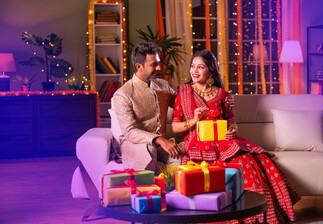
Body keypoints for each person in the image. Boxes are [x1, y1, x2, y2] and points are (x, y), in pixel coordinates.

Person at [171, 49, 301, 223]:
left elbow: (231, 121)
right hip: (197, 143)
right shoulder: (184, 93)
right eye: (193, 66)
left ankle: (256, 217)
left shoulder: (222, 94)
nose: (194, 70)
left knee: (252, 165)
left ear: (210, 70)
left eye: (200, 67)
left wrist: (233, 130)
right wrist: (194, 120)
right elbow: (175, 127)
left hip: (225, 142)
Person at [112, 42, 182, 172]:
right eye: (154, 65)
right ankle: (149, 188)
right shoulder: (123, 94)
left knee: (179, 157)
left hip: (161, 145)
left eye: (158, 63)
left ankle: (171, 188)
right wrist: (158, 139)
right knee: (149, 151)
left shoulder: (162, 85)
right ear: (139, 66)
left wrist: (216, 96)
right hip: (135, 144)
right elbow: (130, 131)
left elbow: (182, 104)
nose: (159, 68)